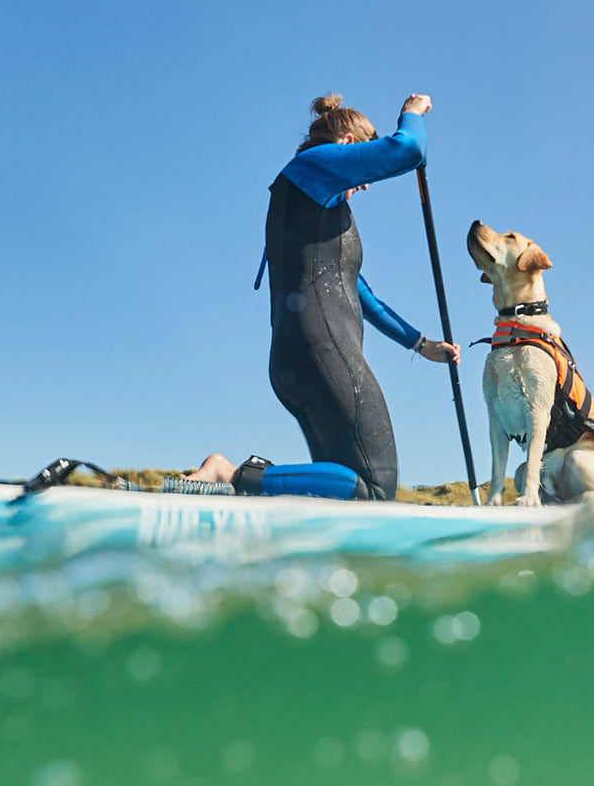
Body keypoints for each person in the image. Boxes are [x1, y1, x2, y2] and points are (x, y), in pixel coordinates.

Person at [191, 93, 458, 501]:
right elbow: (409, 149)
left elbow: (361, 294)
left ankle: (242, 488)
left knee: (341, 497)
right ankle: (229, 475)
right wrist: (412, 114)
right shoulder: (312, 168)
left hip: (300, 358)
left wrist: (421, 345)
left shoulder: (310, 200)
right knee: (374, 488)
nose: (366, 183)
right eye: (364, 165)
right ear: (349, 144)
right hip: (322, 352)